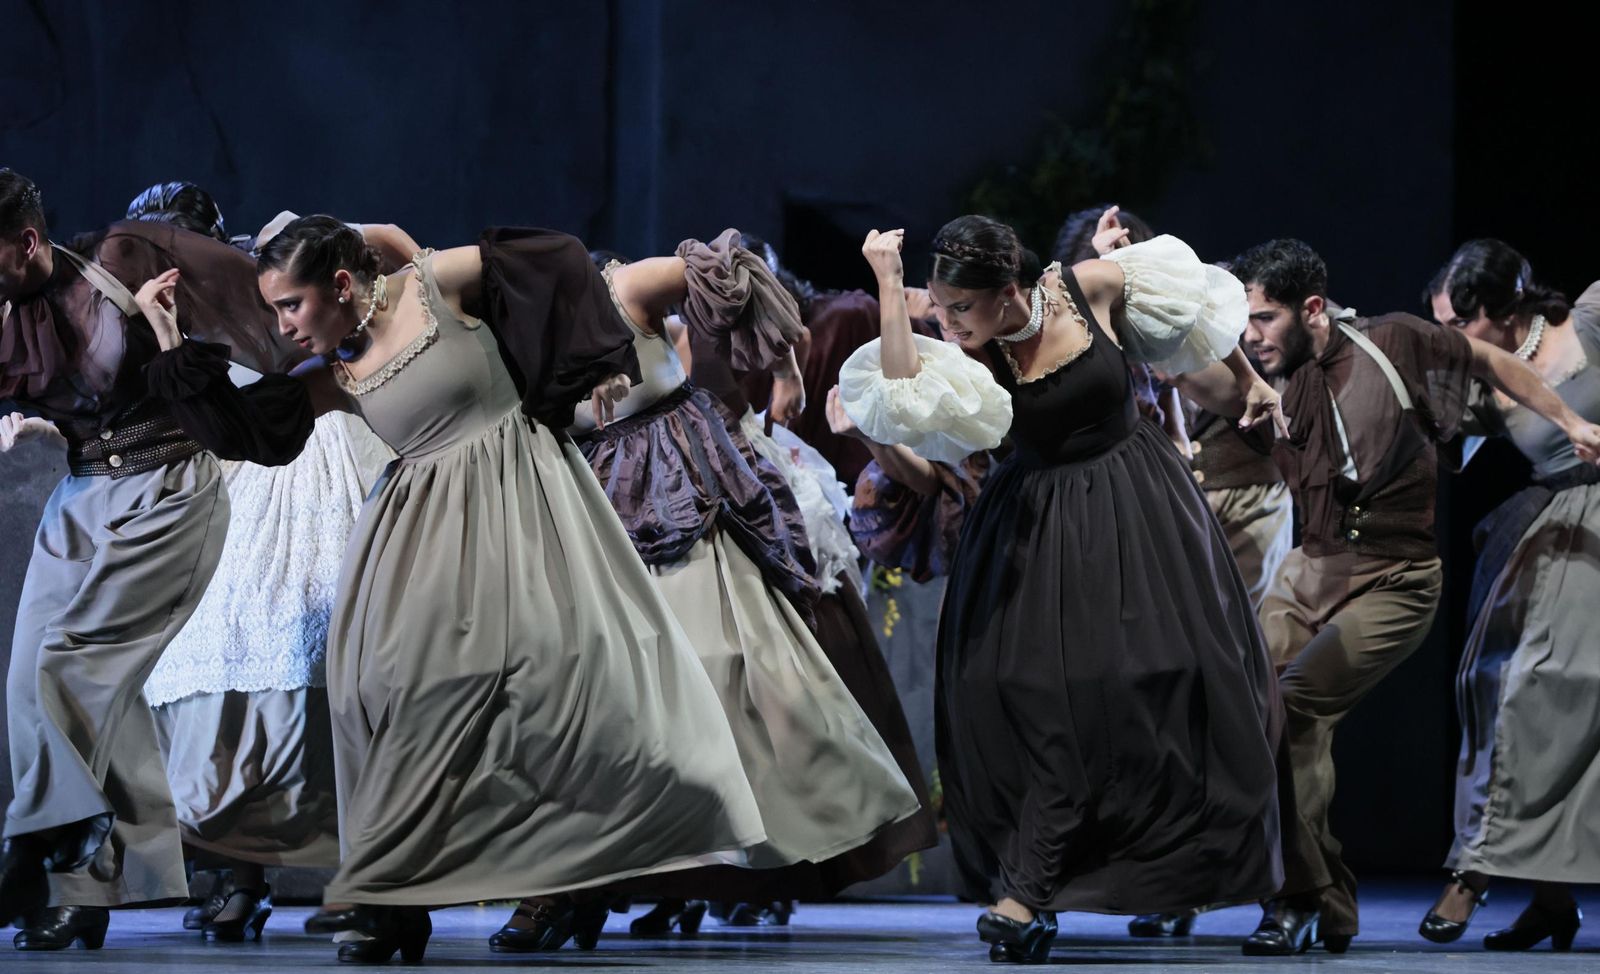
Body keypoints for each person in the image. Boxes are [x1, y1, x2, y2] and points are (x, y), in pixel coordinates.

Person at [142, 215, 769, 963]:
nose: (283, 324)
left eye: (291, 304)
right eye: (275, 307)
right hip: (414, 538)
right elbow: (246, 433)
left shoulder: (434, 289)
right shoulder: (335, 371)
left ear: (341, 284)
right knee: (385, 695)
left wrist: (592, 360)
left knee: (557, 687)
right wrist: (169, 340)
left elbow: (556, 259)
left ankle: (560, 876)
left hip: (522, 501)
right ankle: (392, 898)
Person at [839, 216, 1288, 963]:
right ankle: (1028, 885)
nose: (947, 326)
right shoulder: (968, 349)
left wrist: (1249, 380)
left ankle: (1171, 866)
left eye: (962, 311)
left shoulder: (1089, 288)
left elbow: (1192, 318)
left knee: (1160, 680)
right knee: (1023, 689)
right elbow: (903, 391)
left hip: (1137, 506)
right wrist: (890, 284)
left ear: (1011, 291)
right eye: (939, 311)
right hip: (1037, 520)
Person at [1172, 238, 1600, 955]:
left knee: (1298, 702)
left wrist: (1570, 421)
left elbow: (1491, 361)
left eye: (1266, 318)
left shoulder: (1393, 340)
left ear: (1311, 308)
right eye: (1245, 321)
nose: (1253, 335)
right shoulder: (1262, 380)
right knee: (1241, 697)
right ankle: (1320, 901)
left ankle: (1297, 900)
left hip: (1395, 580)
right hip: (1310, 573)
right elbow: (1183, 368)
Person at [546, 235, 922, 947]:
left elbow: (753, 373)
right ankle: (612, 881)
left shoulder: (641, 302)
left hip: (705, 483)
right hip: (606, 511)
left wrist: (775, 384)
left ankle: (726, 869)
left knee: (734, 676)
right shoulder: (548, 343)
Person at [0, 168, 304, 951]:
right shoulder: (7, 309)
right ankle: (86, 888)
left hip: (165, 488)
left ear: (26, 241)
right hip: (81, 496)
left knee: (70, 669)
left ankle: (36, 852)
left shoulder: (127, 257)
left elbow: (267, 314)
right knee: (32, 681)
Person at [126, 184, 397, 941]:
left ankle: (363, 871)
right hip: (243, 468)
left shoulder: (275, 267)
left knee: (326, 649)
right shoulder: (159, 307)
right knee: (214, 655)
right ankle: (228, 866)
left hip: (319, 452)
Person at [1413, 240, 1599, 952]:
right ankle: (1552, 900)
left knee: (1542, 685)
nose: (1451, 338)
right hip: (1552, 532)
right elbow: (1437, 444)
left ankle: (1474, 871)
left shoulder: (1587, 319)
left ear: (1498, 309)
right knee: (1490, 686)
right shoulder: (1480, 381)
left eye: (1459, 323)